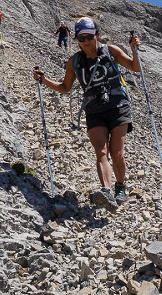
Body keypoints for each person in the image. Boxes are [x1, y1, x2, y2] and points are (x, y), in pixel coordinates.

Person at [33, 17, 141, 211]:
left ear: (96, 35)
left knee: (117, 153)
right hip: (94, 109)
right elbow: (65, 87)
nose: (85, 42)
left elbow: (135, 67)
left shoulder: (111, 50)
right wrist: (44, 80)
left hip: (118, 106)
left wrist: (134, 49)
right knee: (101, 152)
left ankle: (120, 186)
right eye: (81, 38)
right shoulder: (74, 62)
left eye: (89, 37)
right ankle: (106, 192)